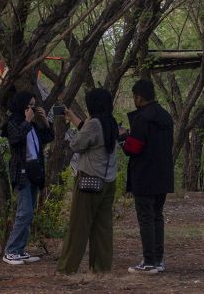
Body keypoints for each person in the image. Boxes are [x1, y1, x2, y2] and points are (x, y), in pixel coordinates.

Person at [57, 88, 119, 275]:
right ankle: (101, 268)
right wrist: (73, 117)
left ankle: (66, 268)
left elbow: (77, 144)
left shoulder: (93, 124)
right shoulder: (111, 122)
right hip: (108, 181)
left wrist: (75, 124)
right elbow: (92, 133)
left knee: (79, 226)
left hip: (89, 180)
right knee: (103, 227)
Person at [121, 79, 174, 275]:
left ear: (139, 97)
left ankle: (149, 261)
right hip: (162, 175)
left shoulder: (142, 118)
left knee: (145, 218)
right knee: (157, 217)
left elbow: (133, 148)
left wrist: (123, 139)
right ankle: (158, 259)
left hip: (144, 175)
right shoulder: (165, 116)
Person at [1, 90, 54, 265]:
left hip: (34, 172)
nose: (31, 108)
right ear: (21, 106)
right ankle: (11, 251)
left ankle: (20, 250)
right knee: (24, 212)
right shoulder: (13, 123)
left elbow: (48, 137)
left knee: (29, 213)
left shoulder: (32, 125)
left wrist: (45, 121)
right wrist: (27, 120)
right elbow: (15, 139)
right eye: (28, 105)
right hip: (21, 172)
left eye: (33, 105)